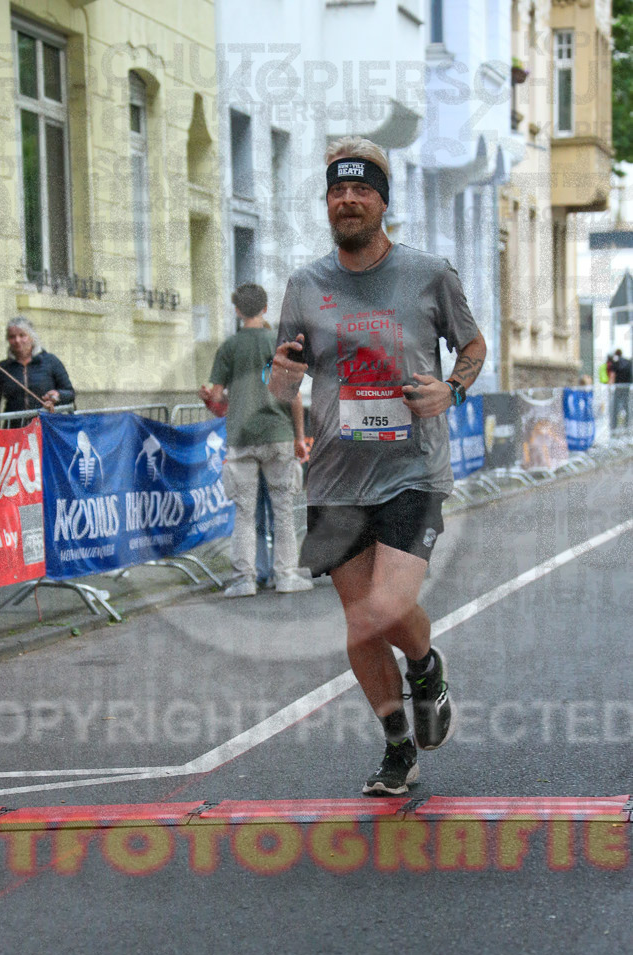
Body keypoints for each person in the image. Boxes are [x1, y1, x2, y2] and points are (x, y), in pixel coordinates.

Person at [269, 137, 486, 795]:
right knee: (360, 620)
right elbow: (283, 383)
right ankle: (397, 748)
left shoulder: (428, 274)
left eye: (361, 190)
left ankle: (424, 666)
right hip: (336, 476)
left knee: (389, 605)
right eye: (338, 190)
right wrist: (280, 378)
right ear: (328, 203)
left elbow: (472, 347)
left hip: (410, 468)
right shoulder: (306, 283)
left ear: (382, 203)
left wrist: (452, 389)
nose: (348, 200)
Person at [200, 283, 313, 597]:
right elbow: (292, 398)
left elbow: (219, 400)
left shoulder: (229, 347)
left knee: (245, 513)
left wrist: (208, 399)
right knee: (283, 510)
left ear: (237, 311)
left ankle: (244, 580)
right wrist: (299, 438)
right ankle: (286, 575)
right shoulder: (279, 344)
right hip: (277, 435)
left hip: (241, 438)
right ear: (265, 308)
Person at [0, 316, 75, 416]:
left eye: (22, 335)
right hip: (15, 428)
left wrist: (58, 395)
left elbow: (70, 393)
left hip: (46, 426)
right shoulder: (2, 368)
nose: (17, 340)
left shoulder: (51, 361)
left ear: (32, 338)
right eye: (12, 337)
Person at [608, 348, 632, 430]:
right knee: (626, 407)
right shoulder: (628, 362)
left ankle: (614, 427)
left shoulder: (615, 362)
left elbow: (612, 376)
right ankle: (627, 426)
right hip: (627, 388)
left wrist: (609, 386)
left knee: (615, 408)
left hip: (618, 388)